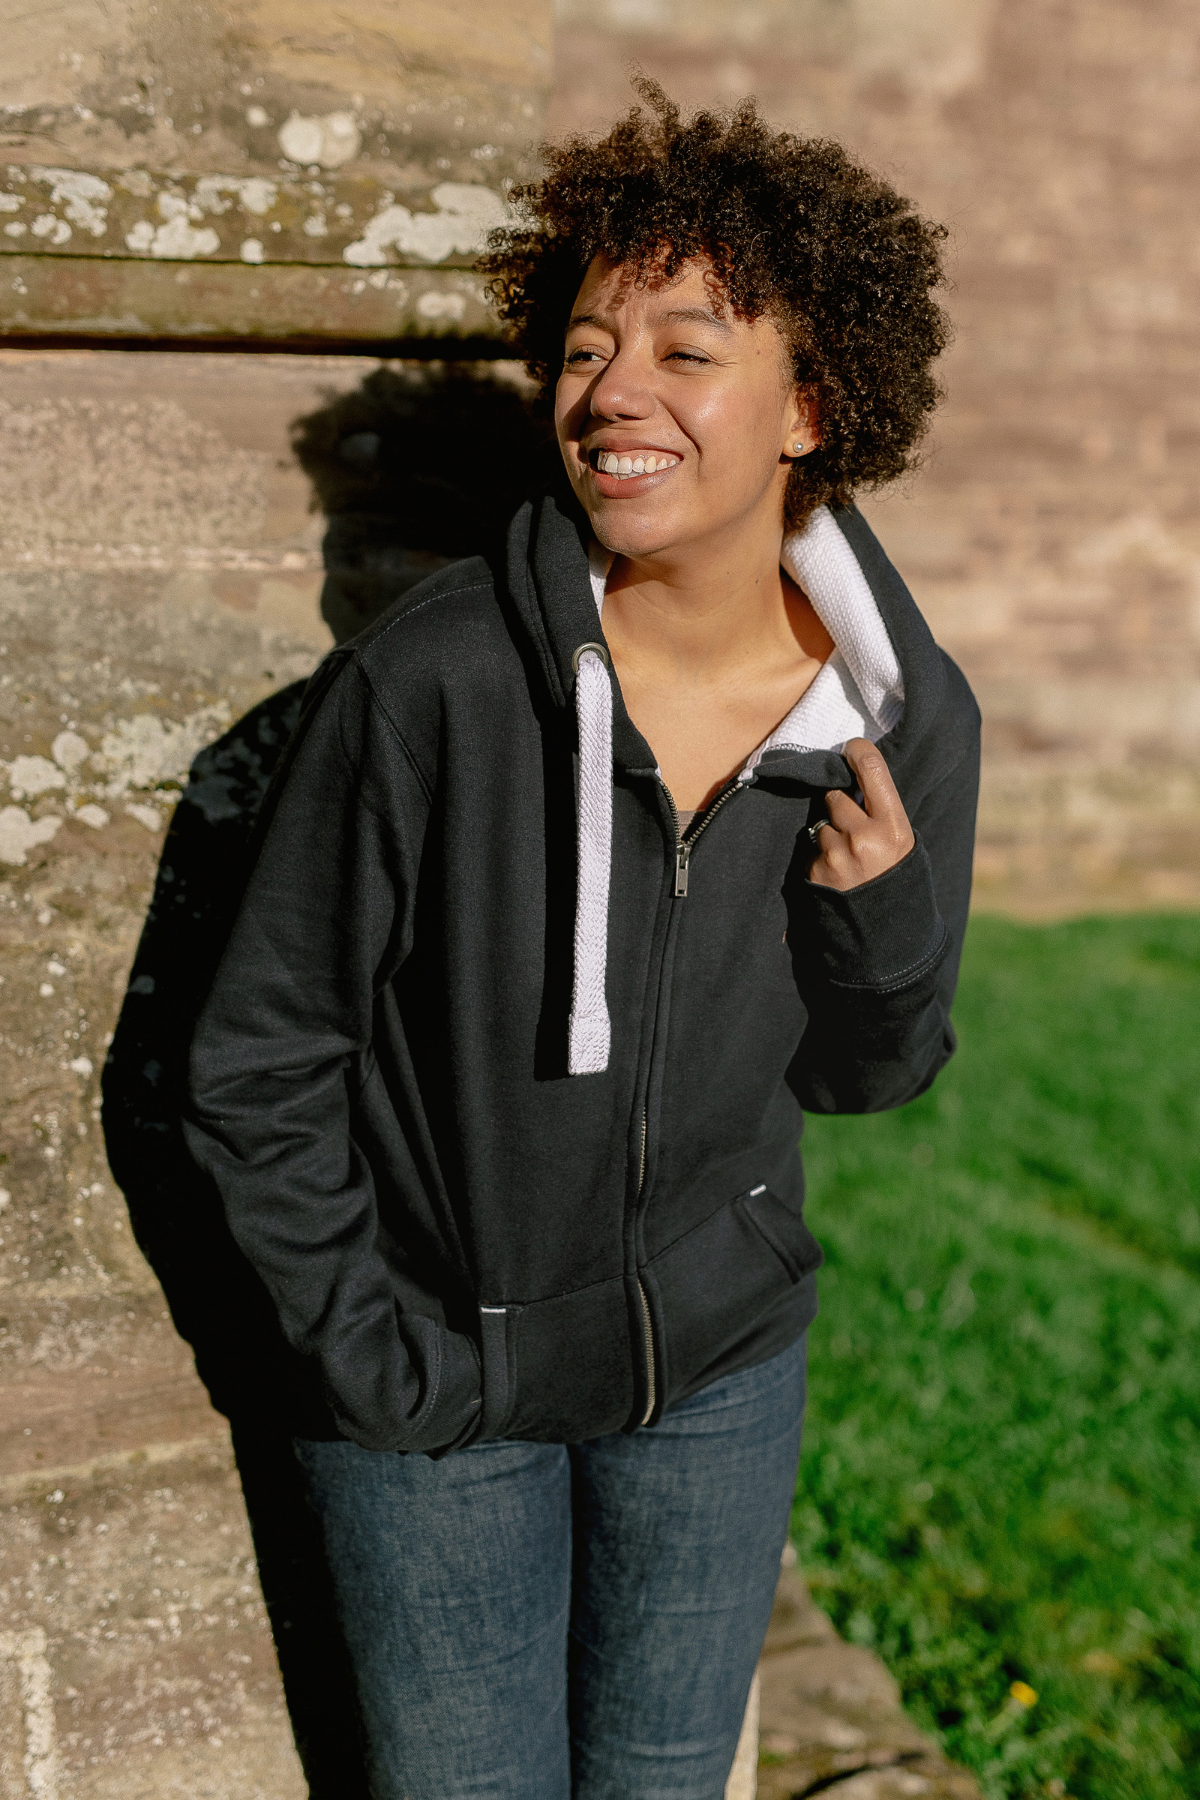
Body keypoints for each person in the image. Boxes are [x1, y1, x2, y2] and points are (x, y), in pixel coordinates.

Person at [182, 83, 979, 1800]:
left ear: (810, 404)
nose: (614, 392)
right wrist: (377, 1356)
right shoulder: (435, 683)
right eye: (588, 347)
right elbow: (257, 1066)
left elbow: (872, 1076)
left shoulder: (892, 722)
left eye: (688, 351)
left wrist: (882, 921)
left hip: (715, 1381)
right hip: (433, 1403)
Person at [102, 363, 550, 1799]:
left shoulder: (603, 742)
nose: (364, 584)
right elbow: (226, 1087)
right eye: (357, 546)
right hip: (404, 1359)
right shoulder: (290, 756)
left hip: (615, 1363)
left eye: (420, 549)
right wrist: (361, 1347)